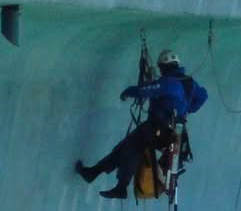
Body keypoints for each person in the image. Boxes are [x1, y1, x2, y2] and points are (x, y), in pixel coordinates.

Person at [76, 49, 208, 198]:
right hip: (176, 132)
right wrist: (187, 109)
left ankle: (118, 185)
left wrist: (128, 91)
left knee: (130, 147)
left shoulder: (168, 82)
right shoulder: (189, 82)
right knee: (127, 146)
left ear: (163, 67)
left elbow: (146, 91)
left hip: (159, 128)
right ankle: (94, 172)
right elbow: (203, 96)